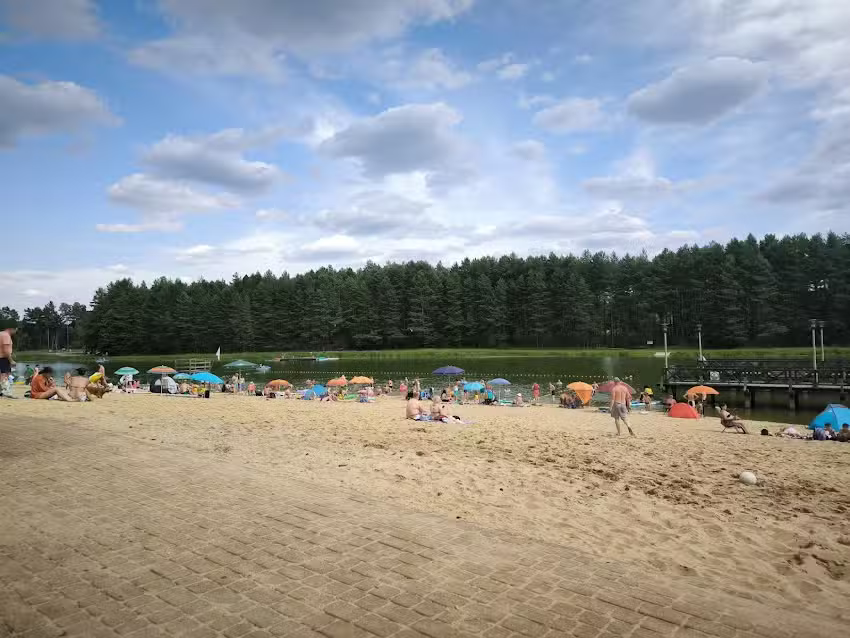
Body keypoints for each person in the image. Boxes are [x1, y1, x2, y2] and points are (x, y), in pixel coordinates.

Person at [0, 327, 16, 397]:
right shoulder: (6, 336)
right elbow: (6, 351)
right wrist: (11, 360)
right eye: (16, 329)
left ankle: (1, 392)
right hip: (3, 358)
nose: (16, 331)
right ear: (11, 328)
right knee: (5, 375)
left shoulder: (0, 334)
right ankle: (7, 392)